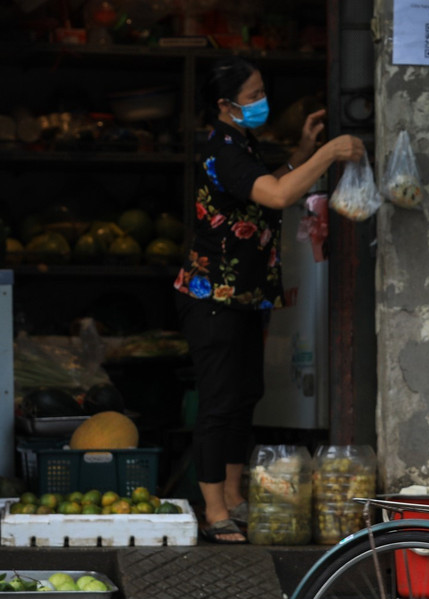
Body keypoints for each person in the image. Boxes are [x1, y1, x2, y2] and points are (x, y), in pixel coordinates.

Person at [174, 56, 365, 544]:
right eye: (252, 95)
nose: (262, 102)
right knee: (218, 403)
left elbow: (270, 184)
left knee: (243, 396)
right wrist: (326, 155)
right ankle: (213, 509)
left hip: (243, 296)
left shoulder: (242, 142)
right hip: (214, 296)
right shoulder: (223, 148)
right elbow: (278, 196)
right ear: (224, 105)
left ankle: (234, 498)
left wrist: (302, 151)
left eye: (262, 92)